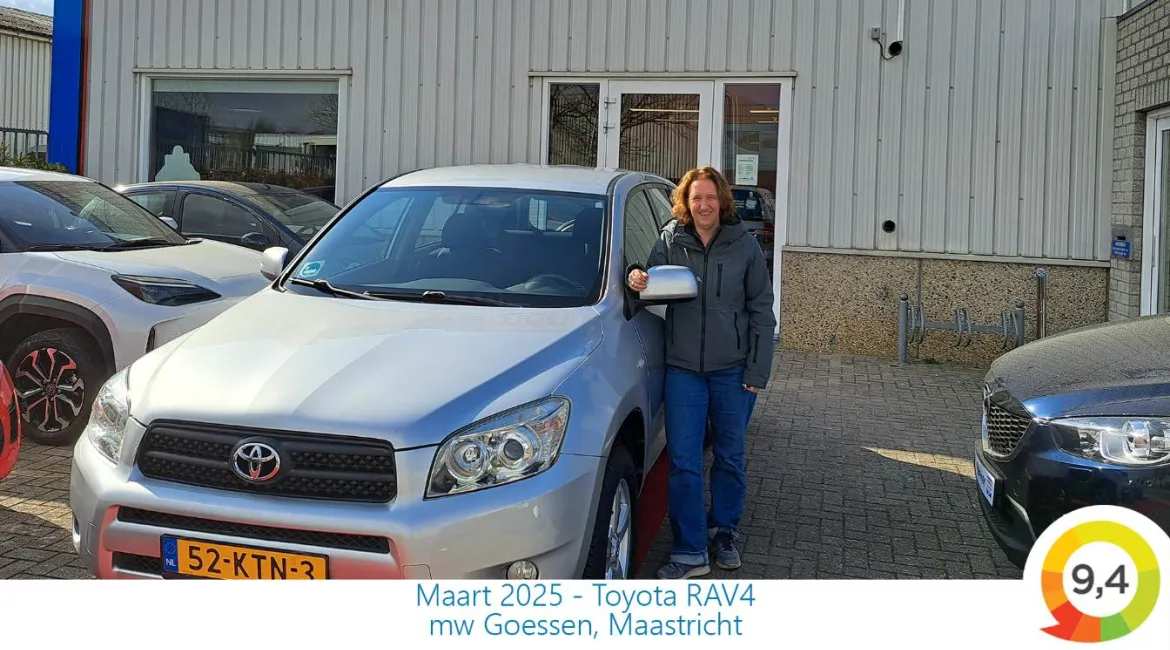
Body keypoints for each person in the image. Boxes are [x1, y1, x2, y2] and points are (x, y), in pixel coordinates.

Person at [626, 166, 776, 580]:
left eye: (710, 197)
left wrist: (758, 370)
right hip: (684, 371)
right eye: (696, 198)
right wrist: (636, 275)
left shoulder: (743, 245)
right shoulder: (671, 239)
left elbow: (762, 312)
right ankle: (690, 550)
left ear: (722, 200)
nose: (704, 205)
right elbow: (648, 281)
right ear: (686, 203)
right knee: (684, 461)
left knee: (729, 456)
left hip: (733, 371)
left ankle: (724, 531)